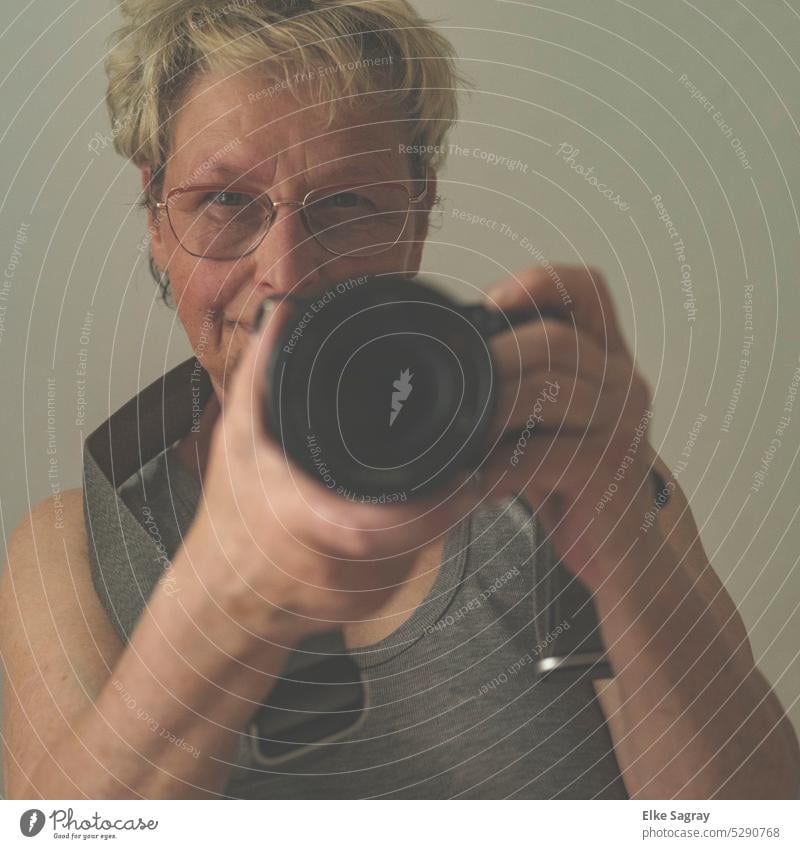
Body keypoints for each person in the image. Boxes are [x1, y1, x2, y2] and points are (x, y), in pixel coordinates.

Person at [1, 0, 797, 800]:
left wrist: (624, 556)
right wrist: (221, 606)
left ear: (416, 214)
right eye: (224, 201)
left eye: (345, 204)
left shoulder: (556, 468)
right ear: (155, 219)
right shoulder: (76, 548)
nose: (287, 272)